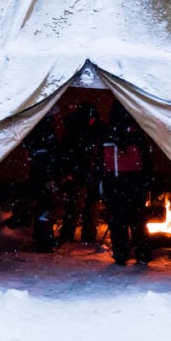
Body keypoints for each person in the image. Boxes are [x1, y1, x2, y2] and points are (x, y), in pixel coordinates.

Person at [100, 102, 152, 265]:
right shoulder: (137, 134)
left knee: (119, 221)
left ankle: (123, 253)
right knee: (135, 220)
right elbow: (147, 160)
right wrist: (146, 180)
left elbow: (99, 160)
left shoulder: (108, 134)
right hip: (131, 182)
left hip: (117, 182)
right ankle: (140, 253)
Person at [57, 102, 106, 243]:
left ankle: (83, 233)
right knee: (76, 204)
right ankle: (74, 233)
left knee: (84, 204)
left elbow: (66, 150)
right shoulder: (79, 130)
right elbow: (67, 150)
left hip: (86, 172)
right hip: (81, 172)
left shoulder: (80, 129)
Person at [23, 108, 60, 252]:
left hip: (38, 177)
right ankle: (44, 242)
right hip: (43, 178)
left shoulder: (36, 133)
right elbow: (49, 159)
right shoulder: (47, 135)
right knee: (44, 209)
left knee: (42, 209)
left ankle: (42, 240)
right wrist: (50, 177)